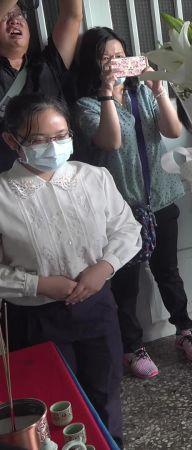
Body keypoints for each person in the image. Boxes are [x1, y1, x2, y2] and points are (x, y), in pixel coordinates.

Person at [0, 94, 141, 446]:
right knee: (53, 403)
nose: (53, 146)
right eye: (38, 139)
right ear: (11, 140)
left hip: (96, 307)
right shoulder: (3, 195)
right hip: (36, 319)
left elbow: (127, 229)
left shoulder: (93, 177)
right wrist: (38, 284)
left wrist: (104, 267)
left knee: (105, 394)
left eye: (61, 135)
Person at [73, 27, 192, 380]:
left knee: (168, 273)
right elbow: (112, 142)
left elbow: (174, 131)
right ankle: (132, 348)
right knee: (125, 283)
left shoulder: (142, 96)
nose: (115, 63)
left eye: (120, 55)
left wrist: (158, 90)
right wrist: (106, 94)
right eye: (106, 57)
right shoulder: (86, 106)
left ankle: (184, 330)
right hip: (121, 211)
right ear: (93, 64)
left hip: (161, 199)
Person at [0, 0, 82, 173]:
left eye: (19, 14)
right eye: (6, 15)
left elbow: (72, 16)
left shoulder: (47, 65)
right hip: (7, 185)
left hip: (58, 177)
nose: (14, 20)